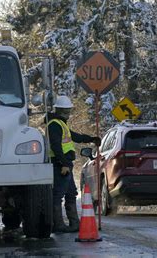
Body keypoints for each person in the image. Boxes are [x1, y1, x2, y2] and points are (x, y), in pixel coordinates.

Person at [46, 95, 101, 233]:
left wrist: (91, 139)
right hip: (60, 164)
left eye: (68, 110)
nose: (67, 113)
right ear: (58, 110)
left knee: (71, 193)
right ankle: (58, 224)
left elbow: (74, 136)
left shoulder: (61, 123)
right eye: (65, 111)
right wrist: (63, 163)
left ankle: (74, 224)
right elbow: (56, 146)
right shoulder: (54, 125)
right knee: (58, 194)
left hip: (66, 164)